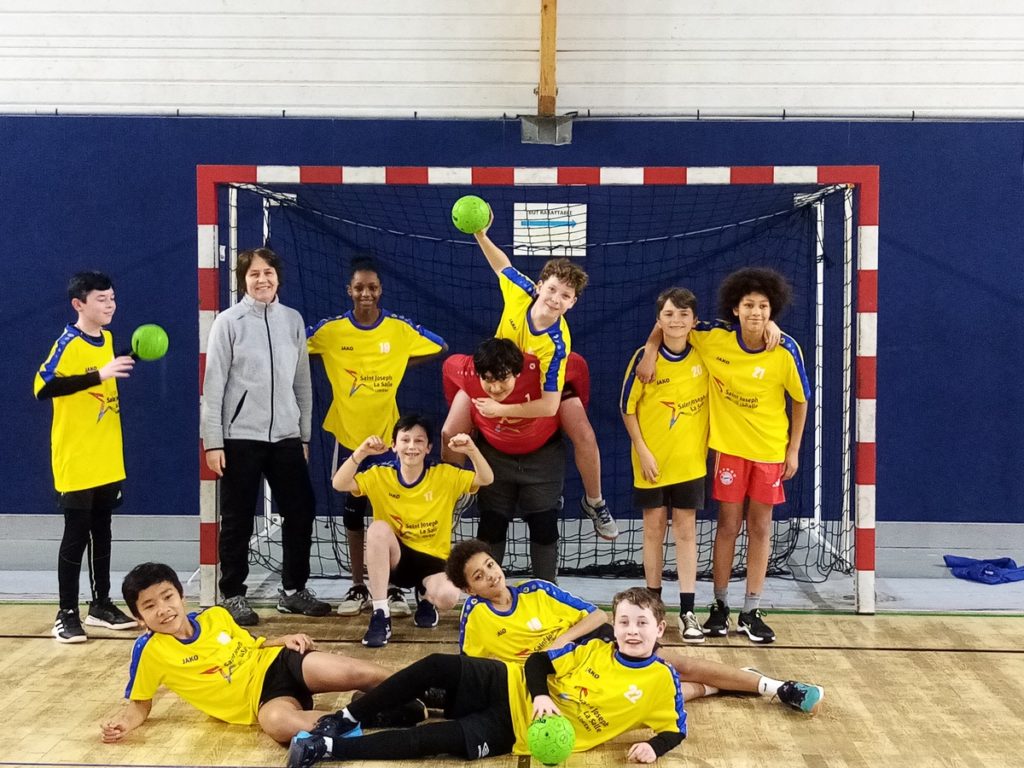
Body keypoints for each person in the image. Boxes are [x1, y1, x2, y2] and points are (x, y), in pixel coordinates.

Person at [285, 587, 687, 768]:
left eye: (641, 623)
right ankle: (348, 719)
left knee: (433, 743)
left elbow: (676, 730)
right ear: (614, 626)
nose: (632, 631)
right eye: (624, 622)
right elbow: (538, 663)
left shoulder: (662, 680)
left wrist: (655, 747)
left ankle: (327, 749)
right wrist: (541, 696)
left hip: (513, 729)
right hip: (506, 682)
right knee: (436, 664)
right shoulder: (593, 648)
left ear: (660, 627)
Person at [446, 538, 824, 715]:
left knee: (673, 664)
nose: (491, 576)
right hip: (556, 680)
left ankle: (776, 686)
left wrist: (562, 639)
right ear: (469, 589)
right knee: (640, 700)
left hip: (593, 651)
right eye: (479, 576)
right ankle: (716, 686)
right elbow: (474, 671)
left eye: (491, 566)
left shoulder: (539, 590)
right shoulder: (475, 619)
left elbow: (598, 617)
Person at [636, 268, 810, 644]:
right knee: (728, 526)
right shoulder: (713, 339)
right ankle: (719, 605)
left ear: (772, 310)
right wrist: (650, 350)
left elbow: (800, 400)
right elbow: (670, 324)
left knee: (761, 527)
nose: (756, 313)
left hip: (769, 453)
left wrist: (792, 449)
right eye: (749, 305)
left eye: (763, 307)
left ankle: (752, 609)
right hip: (728, 451)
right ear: (735, 309)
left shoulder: (785, 349)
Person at [442, 208, 618, 540]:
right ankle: (454, 495)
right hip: (496, 375)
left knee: (585, 436)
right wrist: (480, 234)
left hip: (535, 392)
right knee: (449, 431)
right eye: (552, 290)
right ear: (539, 286)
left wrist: (501, 410)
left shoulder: (557, 345)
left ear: (572, 304)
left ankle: (594, 501)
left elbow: (549, 406)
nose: (556, 299)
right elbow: (501, 264)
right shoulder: (519, 292)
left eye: (565, 296)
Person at [99, 562, 413, 746]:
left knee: (360, 674)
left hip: (280, 664)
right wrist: (123, 724)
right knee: (278, 724)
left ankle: (431, 689)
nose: (163, 609)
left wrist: (285, 638)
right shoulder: (150, 651)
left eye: (167, 597)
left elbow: (253, 643)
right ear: (139, 617)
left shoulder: (215, 616)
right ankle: (369, 718)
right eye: (150, 606)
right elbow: (139, 703)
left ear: (181, 596)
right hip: (262, 701)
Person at [308, 256, 447, 619]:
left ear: (380, 290)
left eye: (372, 287)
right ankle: (358, 584)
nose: (365, 293)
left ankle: (396, 586)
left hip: (389, 437)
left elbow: (439, 346)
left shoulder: (398, 330)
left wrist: (396, 364)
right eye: (359, 288)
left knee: (396, 513)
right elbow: (296, 347)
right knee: (353, 515)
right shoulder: (331, 331)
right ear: (349, 291)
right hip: (350, 436)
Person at [201, 247, 330, 626]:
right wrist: (214, 442)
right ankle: (233, 595)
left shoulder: (292, 320)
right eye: (254, 273)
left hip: (286, 437)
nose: (262, 279)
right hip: (239, 437)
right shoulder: (228, 322)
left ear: (278, 277)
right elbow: (214, 386)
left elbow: (302, 383)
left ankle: (293, 591)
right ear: (243, 279)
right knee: (238, 517)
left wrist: (303, 433)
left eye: (268, 272)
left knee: (301, 510)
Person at [34, 271, 140, 643]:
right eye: (101, 299)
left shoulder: (108, 339)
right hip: (76, 458)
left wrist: (129, 356)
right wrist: (99, 374)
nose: (109, 304)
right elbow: (44, 385)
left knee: (103, 532)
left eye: (112, 298)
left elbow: (105, 377)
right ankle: (65, 613)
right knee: (76, 533)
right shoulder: (68, 342)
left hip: (107, 456)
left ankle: (100, 604)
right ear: (79, 304)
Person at [332, 414, 493, 648]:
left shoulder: (444, 474)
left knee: (449, 597)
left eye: (419, 441)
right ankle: (380, 615)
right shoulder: (380, 474)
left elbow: (486, 478)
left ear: (428, 448)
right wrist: (361, 453)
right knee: (377, 529)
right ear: (394, 445)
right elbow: (339, 483)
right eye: (405, 440)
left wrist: (471, 450)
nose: (411, 447)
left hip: (433, 561)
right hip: (397, 560)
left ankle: (426, 598)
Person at [441, 338, 580, 582]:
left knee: (544, 524)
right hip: (494, 458)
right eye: (488, 380)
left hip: (543, 458)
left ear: (518, 372)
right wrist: (465, 407)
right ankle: (486, 590)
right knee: (491, 523)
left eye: (502, 379)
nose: (495, 388)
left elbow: (578, 369)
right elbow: (448, 369)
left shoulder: (545, 371)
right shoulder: (465, 372)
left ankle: (548, 591)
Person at [621, 288, 710, 643]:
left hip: (690, 463)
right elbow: (627, 409)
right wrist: (642, 449)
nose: (676, 321)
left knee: (687, 531)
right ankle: (653, 606)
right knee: (654, 529)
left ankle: (688, 610)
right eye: (669, 315)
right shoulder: (643, 359)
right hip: (651, 463)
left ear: (694, 321)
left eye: (684, 315)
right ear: (658, 320)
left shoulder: (705, 350)